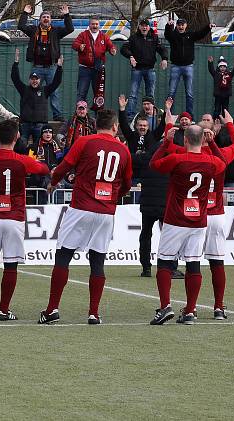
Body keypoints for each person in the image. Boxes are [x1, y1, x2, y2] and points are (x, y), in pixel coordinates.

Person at [38, 109, 133, 325]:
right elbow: (127, 184)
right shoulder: (123, 150)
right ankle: (94, 313)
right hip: (106, 212)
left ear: (95, 124)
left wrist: (53, 182)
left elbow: (65, 165)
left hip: (81, 206)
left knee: (63, 256)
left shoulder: (85, 141)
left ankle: (52, 309)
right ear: (115, 127)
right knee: (97, 261)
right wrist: (113, 195)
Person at [148, 121, 227, 325]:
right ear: (203, 139)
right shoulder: (211, 162)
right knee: (193, 264)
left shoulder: (177, 159)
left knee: (165, 262)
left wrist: (166, 143)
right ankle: (190, 311)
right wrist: (214, 144)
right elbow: (223, 163)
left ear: (184, 140)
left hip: (175, 219)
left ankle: (165, 306)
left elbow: (153, 165)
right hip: (198, 222)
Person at [167, 109, 234, 319]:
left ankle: (191, 308)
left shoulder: (184, 155)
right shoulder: (221, 155)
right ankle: (219, 307)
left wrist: (167, 126)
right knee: (217, 262)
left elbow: (166, 150)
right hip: (216, 214)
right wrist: (230, 124)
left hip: (194, 217)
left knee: (193, 262)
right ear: (210, 136)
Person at [0, 120, 49, 321]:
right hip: (14, 218)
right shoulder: (22, 160)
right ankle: (3, 310)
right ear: (16, 138)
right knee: (11, 264)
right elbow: (44, 170)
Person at [118, 96, 168, 277]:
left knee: (161, 232)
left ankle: (164, 264)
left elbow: (162, 127)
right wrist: (122, 110)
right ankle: (150, 265)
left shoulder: (154, 138)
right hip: (134, 177)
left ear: (148, 126)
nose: (142, 128)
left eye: (145, 126)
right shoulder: (131, 136)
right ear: (136, 126)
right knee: (147, 233)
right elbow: (123, 126)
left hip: (147, 181)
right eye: (140, 125)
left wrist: (166, 112)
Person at [18, 3, 73, 121]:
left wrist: (66, 15)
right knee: (31, 92)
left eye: (48, 17)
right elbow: (21, 26)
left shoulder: (56, 31)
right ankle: (26, 115)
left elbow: (70, 29)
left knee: (54, 92)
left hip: (51, 67)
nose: (46, 19)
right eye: (44, 17)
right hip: (36, 67)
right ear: (40, 20)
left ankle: (57, 115)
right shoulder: (34, 30)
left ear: (51, 20)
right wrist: (25, 13)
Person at [11, 48, 63, 147]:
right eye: (32, 79)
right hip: (25, 125)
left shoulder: (45, 90)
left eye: (36, 79)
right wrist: (16, 63)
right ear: (29, 80)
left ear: (40, 80)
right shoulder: (24, 89)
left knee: (38, 149)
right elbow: (15, 78)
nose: (34, 81)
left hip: (40, 125)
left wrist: (59, 68)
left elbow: (56, 82)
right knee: (21, 146)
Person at [164, 18, 213, 115]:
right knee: (171, 92)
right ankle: (168, 115)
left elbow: (200, 34)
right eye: (179, 25)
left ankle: (190, 115)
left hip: (188, 66)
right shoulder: (173, 35)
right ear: (176, 26)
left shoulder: (190, 35)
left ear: (186, 25)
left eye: (182, 25)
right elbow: (167, 35)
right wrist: (168, 26)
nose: (181, 26)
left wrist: (208, 27)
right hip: (175, 66)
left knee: (189, 93)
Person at [121, 19, 168, 119]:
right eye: (142, 26)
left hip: (150, 69)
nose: (144, 27)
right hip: (137, 69)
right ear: (139, 27)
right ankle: (130, 117)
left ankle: (151, 115)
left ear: (149, 27)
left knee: (150, 95)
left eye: (146, 26)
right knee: (133, 94)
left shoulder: (154, 37)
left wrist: (164, 58)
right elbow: (123, 48)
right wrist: (130, 56)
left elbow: (162, 49)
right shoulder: (133, 38)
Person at [71, 16, 116, 107]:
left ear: (99, 25)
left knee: (99, 94)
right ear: (89, 25)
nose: (94, 26)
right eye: (92, 24)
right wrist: (79, 46)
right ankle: (79, 115)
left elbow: (111, 46)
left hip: (99, 69)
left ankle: (98, 117)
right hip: (85, 69)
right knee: (81, 93)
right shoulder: (83, 35)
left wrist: (113, 50)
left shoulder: (104, 36)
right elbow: (74, 44)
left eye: (96, 24)